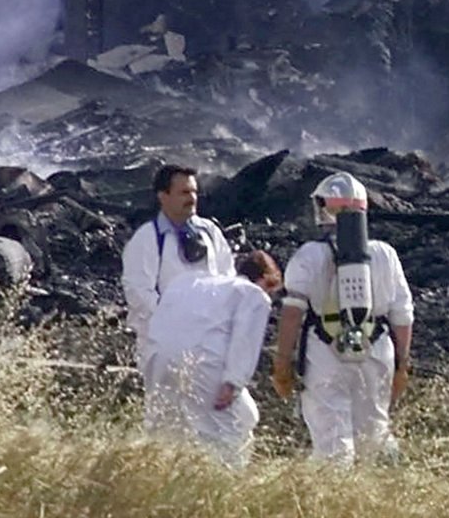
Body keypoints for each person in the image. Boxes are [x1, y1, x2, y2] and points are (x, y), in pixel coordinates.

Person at [270, 171, 414, 464]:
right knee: (374, 433)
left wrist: (282, 363)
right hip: (377, 351)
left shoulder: (308, 255)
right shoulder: (385, 254)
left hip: (326, 352)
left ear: (325, 209)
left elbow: (292, 313)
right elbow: (402, 316)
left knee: (331, 441)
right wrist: (402, 365)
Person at [142, 250, 282, 467]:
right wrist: (233, 383)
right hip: (203, 361)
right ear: (264, 279)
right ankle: (226, 490)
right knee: (229, 434)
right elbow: (245, 340)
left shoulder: (187, 282)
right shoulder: (253, 294)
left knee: (168, 433)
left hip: (158, 359)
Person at [121, 164, 235, 371]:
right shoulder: (147, 238)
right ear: (163, 196)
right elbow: (138, 290)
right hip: (165, 349)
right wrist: (174, 322)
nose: (192, 198)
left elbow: (227, 278)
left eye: (194, 192)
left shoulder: (210, 232)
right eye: (184, 192)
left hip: (209, 345)